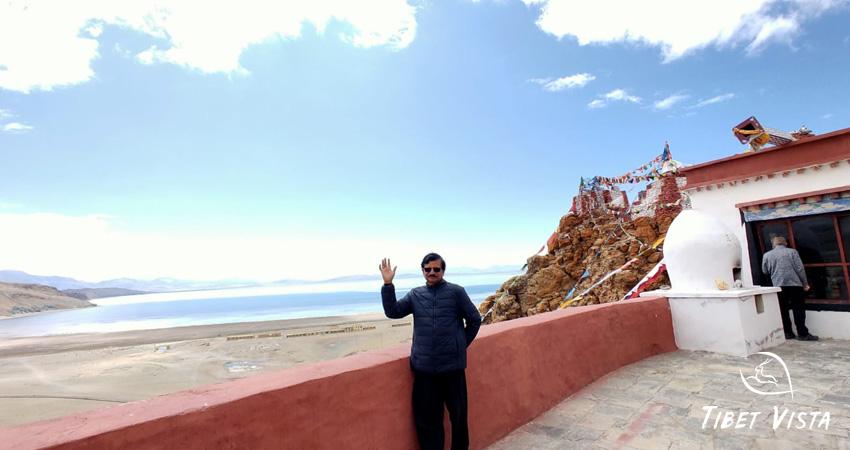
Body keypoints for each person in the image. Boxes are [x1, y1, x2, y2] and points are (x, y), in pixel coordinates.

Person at [379, 253, 482, 450]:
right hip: (425, 371)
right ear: (422, 271)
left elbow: (475, 320)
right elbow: (393, 311)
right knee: (427, 422)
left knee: (459, 419)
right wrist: (387, 285)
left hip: (453, 370)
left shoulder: (456, 292)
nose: (432, 272)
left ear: (443, 270)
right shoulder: (415, 295)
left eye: (436, 269)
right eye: (428, 269)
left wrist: (459, 345)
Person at [761, 236, 819, 341]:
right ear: (785, 243)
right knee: (799, 309)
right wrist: (805, 283)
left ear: (773, 244)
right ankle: (802, 334)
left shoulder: (767, 255)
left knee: (783, 310)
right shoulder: (792, 252)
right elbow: (800, 269)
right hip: (795, 285)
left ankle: (788, 333)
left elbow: (765, 271)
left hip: (778, 286)